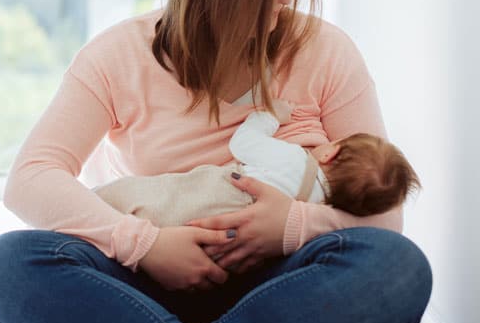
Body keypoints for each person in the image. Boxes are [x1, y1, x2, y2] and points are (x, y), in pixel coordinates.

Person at [0, 0, 432, 323]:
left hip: (280, 287)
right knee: (9, 265)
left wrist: (293, 224)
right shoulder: (117, 56)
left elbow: (386, 220)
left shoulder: (327, 52)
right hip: (144, 286)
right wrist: (146, 246)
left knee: (399, 269)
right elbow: (31, 179)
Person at [96, 102, 421, 227]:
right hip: (219, 244)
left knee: (134, 196)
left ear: (328, 154)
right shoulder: (318, 210)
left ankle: (93, 202)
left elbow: (244, 143)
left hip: (203, 197)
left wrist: (270, 116)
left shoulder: (293, 158)